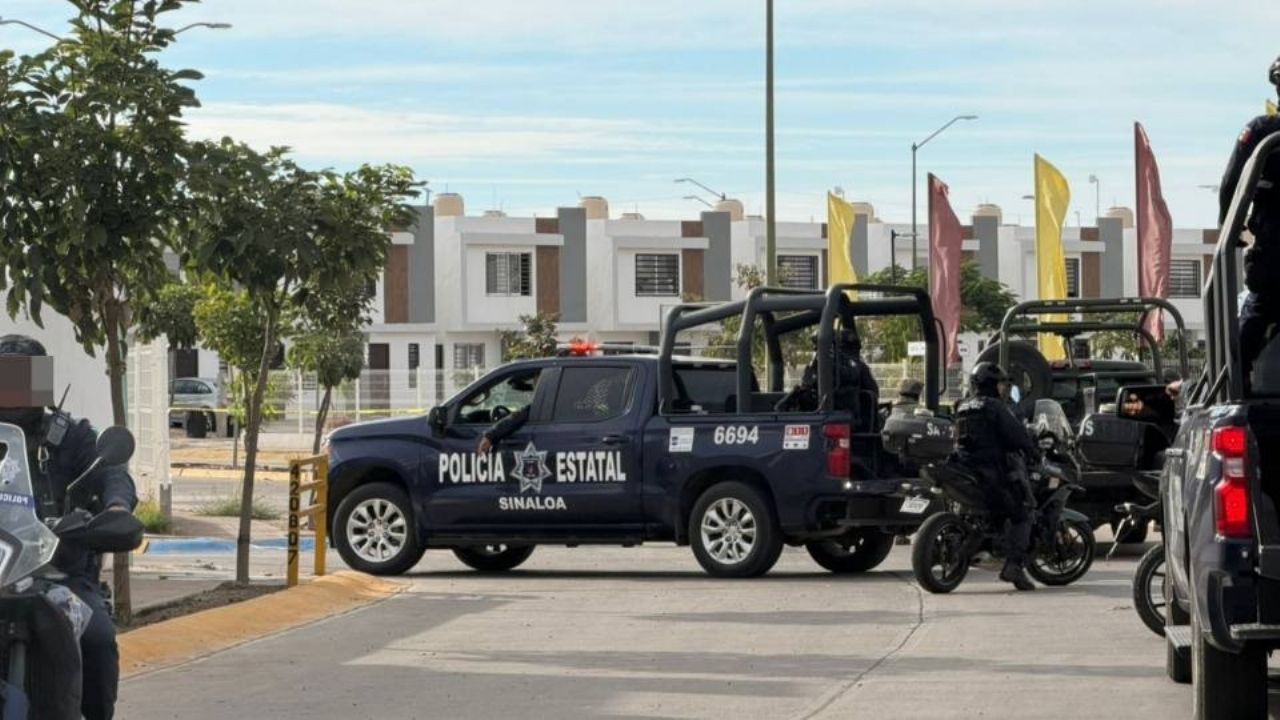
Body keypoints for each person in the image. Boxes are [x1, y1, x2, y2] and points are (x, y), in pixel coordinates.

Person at [0, 335, 137, 720]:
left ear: (40, 384)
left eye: (22, 378)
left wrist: (115, 505)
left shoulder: (69, 436)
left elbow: (111, 471)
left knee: (98, 640)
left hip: (59, 576)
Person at [1219, 55, 1280, 387]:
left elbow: (1230, 187)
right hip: (1272, 263)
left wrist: (1231, 229)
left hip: (1273, 265)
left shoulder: (1262, 132)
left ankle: (1233, 384)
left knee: (1253, 323)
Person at [955, 362, 1039, 591]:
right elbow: (1018, 436)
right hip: (992, 472)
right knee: (1024, 511)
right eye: (1002, 383)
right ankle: (1014, 566)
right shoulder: (995, 407)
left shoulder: (963, 407)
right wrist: (1032, 449)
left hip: (967, 469)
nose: (1004, 388)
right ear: (992, 385)